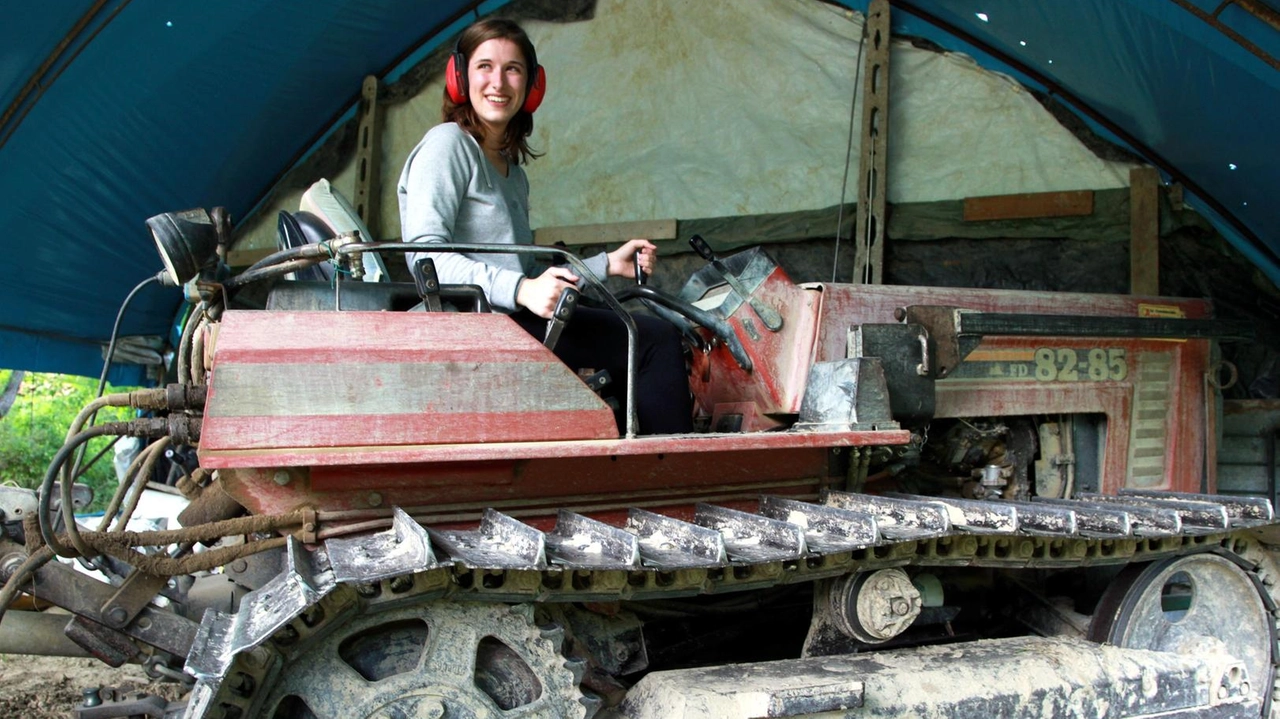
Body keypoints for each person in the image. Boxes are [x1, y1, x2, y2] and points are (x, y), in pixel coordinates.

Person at [397, 17, 693, 435]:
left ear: (532, 85)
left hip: (507, 319)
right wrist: (521, 290)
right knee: (651, 340)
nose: (498, 82)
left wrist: (608, 263)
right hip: (473, 327)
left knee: (637, 334)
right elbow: (425, 257)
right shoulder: (447, 145)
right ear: (460, 77)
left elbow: (527, 279)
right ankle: (670, 477)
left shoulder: (512, 173)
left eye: (512, 69)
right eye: (484, 66)